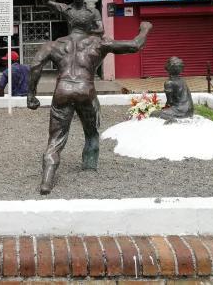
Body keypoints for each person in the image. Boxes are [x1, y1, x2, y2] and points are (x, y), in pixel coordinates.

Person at [27, 21, 152, 195]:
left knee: (55, 140)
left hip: (62, 90)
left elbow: (35, 66)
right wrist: (145, 28)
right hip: (85, 90)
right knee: (91, 131)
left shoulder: (54, 45)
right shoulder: (99, 43)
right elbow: (135, 45)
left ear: (70, 24)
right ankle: (89, 166)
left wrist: (31, 94)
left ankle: (46, 181)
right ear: (89, 26)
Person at [151, 56, 194, 121]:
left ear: (168, 68)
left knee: (153, 114)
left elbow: (169, 102)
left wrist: (164, 109)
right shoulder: (182, 80)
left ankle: (173, 120)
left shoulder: (169, 83)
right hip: (190, 110)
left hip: (180, 110)